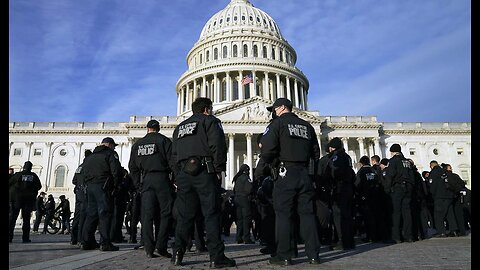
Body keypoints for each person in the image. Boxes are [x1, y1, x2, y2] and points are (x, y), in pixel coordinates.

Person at [170, 97, 235, 268]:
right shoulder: (210, 121)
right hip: (205, 171)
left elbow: (173, 155)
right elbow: (218, 146)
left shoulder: (180, 128)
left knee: (184, 216)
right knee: (211, 214)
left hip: (184, 174)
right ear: (207, 109)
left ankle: (177, 254)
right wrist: (219, 169)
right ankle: (216, 257)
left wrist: (179, 175)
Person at [260, 98, 320, 265]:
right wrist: (311, 174)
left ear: (282, 108)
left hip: (285, 172)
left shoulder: (277, 124)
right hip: (304, 173)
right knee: (308, 215)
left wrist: (272, 164)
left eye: (275, 108)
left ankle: (284, 255)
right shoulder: (307, 126)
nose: (273, 111)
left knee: (283, 215)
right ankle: (313, 255)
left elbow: (267, 149)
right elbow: (316, 153)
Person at [129, 119, 175, 258]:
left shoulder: (138, 144)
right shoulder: (164, 141)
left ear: (147, 129)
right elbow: (173, 162)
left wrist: (138, 184)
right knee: (166, 213)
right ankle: (161, 246)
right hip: (162, 179)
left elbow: (132, 167)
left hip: (146, 180)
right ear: (158, 129)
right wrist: (175, 180)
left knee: (147, 216)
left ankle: (148, 248)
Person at [81, 137, 123, 251]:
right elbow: (116, 171)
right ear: (109, 145)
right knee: (105, 214)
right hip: (103, 186)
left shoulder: (90, 157)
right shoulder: (110, 154)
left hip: (90, 187)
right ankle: (105, 243)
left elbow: (83, 173)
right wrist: (116, 186)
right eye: (113, 145)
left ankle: (86, 241)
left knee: (91, 214)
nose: (114, 148)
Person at [324, 137, 356, 250]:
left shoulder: (336, 157)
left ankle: (342, 241)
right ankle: (350, 241)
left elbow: (334, 172)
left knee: (339, 217)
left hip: (339, 188)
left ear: (333, 147)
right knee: (347, 216)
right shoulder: (347, 157)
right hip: (348, 188)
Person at [384, 144, 415, 243]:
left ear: (392, 152)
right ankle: (408, 236)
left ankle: (396, 237)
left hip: (397, 188)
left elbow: (390, 176)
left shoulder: (393, 161)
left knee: (396, 213)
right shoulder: (407, 162)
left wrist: (387, 190)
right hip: (408, 188)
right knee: (407, 213)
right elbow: (412, 176)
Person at [9, 161, 42, 243]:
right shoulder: (33, 176)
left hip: (16, 199)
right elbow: (39, 186)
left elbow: (9, 183)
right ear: (31, 168)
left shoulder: (17, 175)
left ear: (23, 167)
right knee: (26, 220)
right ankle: (25, 238)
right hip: (28, 200)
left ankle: (9, 237)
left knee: (12, 219)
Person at [354, 156, 383, 243]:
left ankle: (370, 236)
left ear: (361, 163)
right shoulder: (373, 170)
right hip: (376, 196)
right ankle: (377, 235)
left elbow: (357, 184)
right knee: (376, 216)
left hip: (365, 197)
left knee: (367, 218)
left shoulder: (361, 171)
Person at [429, 160, 458, 237]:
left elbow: (432, 186)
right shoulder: (445, 171)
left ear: (431, 166)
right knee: (450, 213)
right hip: (449, 195)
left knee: (438, 215)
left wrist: (433, 194)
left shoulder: (434, 173)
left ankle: (441, 232)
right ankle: (453, 230)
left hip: (439, 196)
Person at [71, 149, 92, 245]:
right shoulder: (89, 166)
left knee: (77, 215)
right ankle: (81, 238)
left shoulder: (79, 167)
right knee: (84, 215)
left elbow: (74, 180)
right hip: (85, 192)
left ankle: (73, 238)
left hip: (78, 192)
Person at [232, 164, 255, 244]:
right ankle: (246, 238)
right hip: (245, 199)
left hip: (237, 199)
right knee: (246, 219)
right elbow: (249, 189)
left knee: (240, 220)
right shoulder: (246, 178)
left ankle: (239, 237)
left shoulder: (237, 178)